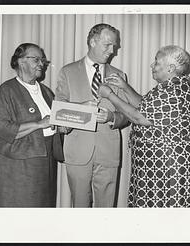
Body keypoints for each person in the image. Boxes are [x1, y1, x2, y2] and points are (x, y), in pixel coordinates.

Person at [98, 45, 190, 207]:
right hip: (163, 162)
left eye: (156, 62)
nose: (151, 66)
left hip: (169, 166)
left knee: (164, 215)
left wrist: (110, 95)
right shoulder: (174, 86)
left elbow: (139, 117)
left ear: (170, 68)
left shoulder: (173, 90)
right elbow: (144, 106)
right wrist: (124, 87)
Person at [55, 23, 129, 207]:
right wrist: (82, 108)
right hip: (77, 152)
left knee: (106, 210)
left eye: (114, 46)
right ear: (92, 42)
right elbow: (58, 113)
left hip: (108, 153)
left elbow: (128, 114)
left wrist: (112, 117)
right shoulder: (67, 71)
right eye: (107, 45)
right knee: (80, 207)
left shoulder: (119, 75)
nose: (112, 51)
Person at [0, 43, 63, 207]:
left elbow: (53, 122)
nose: (41, 64)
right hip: (17, 164)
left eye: (42, 60)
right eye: (36, 59)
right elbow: (2, 128)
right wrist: (38, 124)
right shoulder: (6, 90)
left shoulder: (47, 92)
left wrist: (62, 125)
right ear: (21, 62)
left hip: (44, 159)